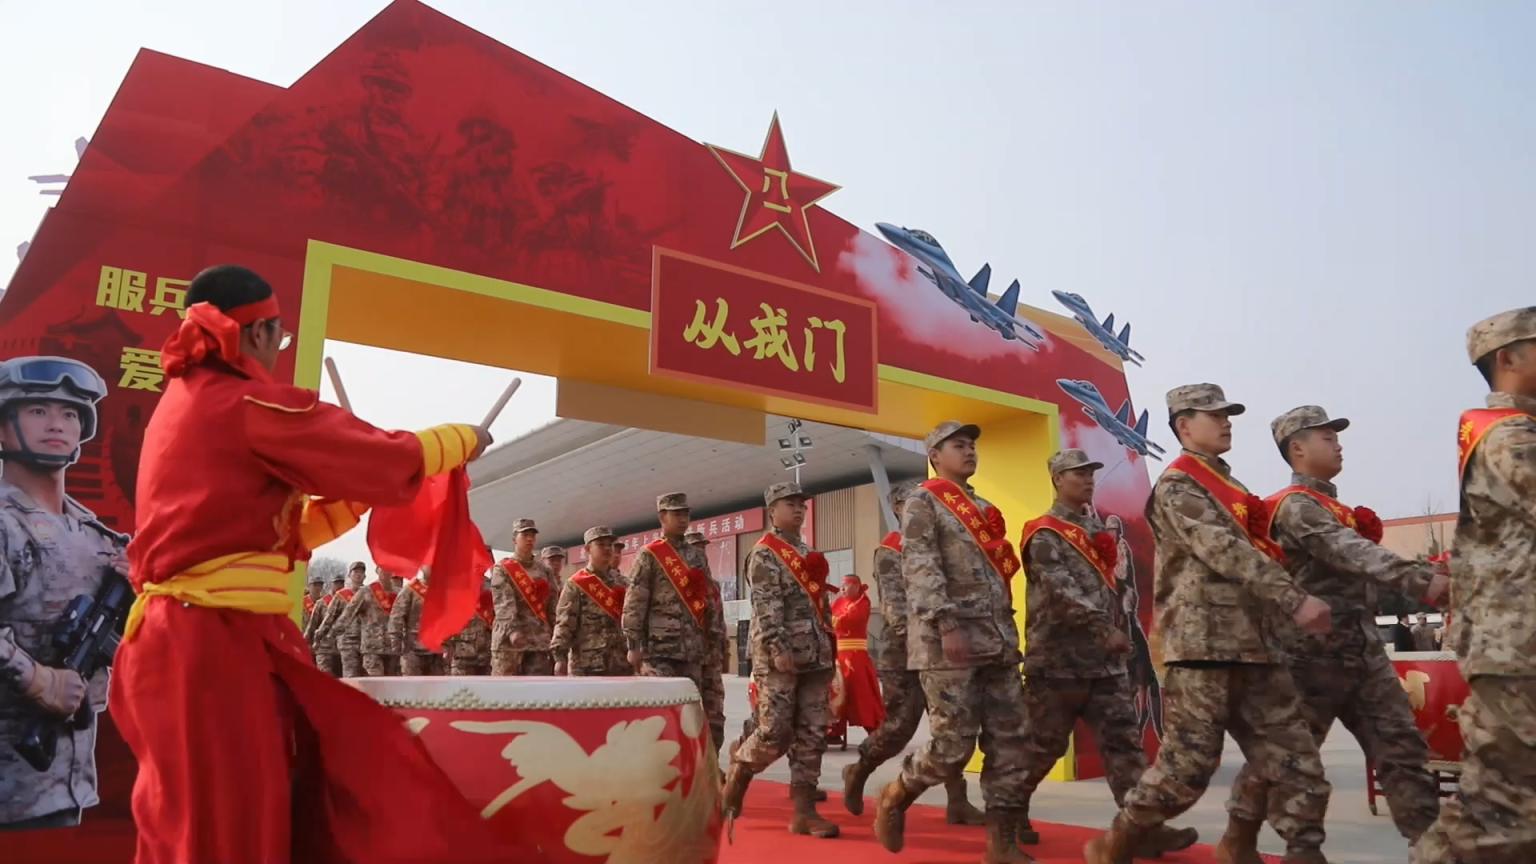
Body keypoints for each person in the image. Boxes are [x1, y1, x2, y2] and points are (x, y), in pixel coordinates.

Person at [107, 264, 511, 862]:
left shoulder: (187, 402)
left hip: (192, 639)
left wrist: (351, 498)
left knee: (196, 821)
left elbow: (256, 533)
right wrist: (463, 439)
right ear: (260, 332)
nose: (279, 348)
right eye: (280, 335)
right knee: (228, 824)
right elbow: (381, 456)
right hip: (210, 644)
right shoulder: (245, 402)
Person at [1084, 384, 1334, 864]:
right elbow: (1221, 548)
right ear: (1183, 425)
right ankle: (1121, 838)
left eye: (1227, 414)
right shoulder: (1178, 486)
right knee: (1187, 768)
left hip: (1258, 648)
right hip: (1203, 648)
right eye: (1214, 415)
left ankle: (1304, 851)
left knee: (1296, 761)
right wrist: (1293, 598)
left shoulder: (1232, 488)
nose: (1226, 422)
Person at [1220, 406, 1445, 861]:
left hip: (1364, 655)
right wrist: (1421, 579)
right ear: (1297, 448)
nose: (1338, 444)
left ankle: (1434, 847)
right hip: (1309, 661)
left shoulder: (1332, 508)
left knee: (1402, 751)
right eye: (1327, 437)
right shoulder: (1295, 506)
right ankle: (1244, 838)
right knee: (1284, 760)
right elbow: (1347, 550)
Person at [1017, 449, 1197, 857]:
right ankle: (1008, 814)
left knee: (1124, 745)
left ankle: (1143, 828)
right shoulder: (1045, 533)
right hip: (1059, 664)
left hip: (1105, 662)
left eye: (1090, 473)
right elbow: (1062, 592)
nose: (1088, 479)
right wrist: (1104, 628)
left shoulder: (1096, 529)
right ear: (1057, 479)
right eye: (1078, 473)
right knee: (1041, 748)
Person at [872, 420, 1033, 863]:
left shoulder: (983, 507)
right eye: (958, 445)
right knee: (952, 745)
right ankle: (896, 793)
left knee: (1010, 741)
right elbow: (920, 566)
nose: (968, 451)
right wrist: (945, 625)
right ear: (935, 456)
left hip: (997, 639)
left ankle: (1001, 844)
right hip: (949, 641)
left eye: (971, 445)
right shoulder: (923, 501)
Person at [1413, 307, 1536, 863]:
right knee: (1506, 819)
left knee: (1490, 810)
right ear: (1507, 358)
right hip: (1518, 653)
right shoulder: (1509, 437)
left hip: (1511, 650)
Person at [0, 355, 127, 830]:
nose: (56, 424)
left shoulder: (99, 538)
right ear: (3, 427)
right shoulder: (6, 526)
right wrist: (38, 681)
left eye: (70, 413)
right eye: (38, 410)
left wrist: (145, 594)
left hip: (66, 786)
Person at [842, 480, 984, 826]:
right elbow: (895, 607)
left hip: (940, 646)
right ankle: (860, 768)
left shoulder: (942, 543)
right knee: (899, 726)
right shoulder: (890, 550)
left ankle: (957, 800)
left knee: (951, 722)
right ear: (897, 509)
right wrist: (929, 638)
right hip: (903, 650)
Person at [722, 482, 839, 839]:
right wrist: (777, 647)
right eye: (790, 504)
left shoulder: (809, 552)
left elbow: (821, 604)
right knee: (775, 731)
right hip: (780, 656)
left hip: (816, 653)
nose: (799, 509)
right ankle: (740, 771)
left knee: (813, 732)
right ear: (772, 511)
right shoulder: (764, 553)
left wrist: (830, 647)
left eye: (802, 504)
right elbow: (767, 605)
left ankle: (804, 811)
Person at [621, 493, 715, 719]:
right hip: (659, 649)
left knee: (689, 713)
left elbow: (707, 598)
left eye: (685, 514)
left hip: (692, 648)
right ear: (662, 517)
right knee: (660, 712)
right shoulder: (649, 555)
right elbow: (635, 601)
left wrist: (711, 640)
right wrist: (633, 644)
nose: (683, 519)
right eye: (676, 514)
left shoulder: (696, 556)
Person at [552, 526, 631, 676]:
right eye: (601, 544)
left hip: (620, 661)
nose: (607, 548)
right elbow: (565, 622)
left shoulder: (623, 583)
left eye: (610, 544)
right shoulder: (576, 583)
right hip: (587, 663)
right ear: (588, 549)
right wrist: (559, 657)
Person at [489, 519, 553, 675]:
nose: (529, 539)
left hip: (539, 641)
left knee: (537, 687)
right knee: (506, 688)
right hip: (509, 643)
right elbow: (504, 603)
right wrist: (512, 631)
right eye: (524, 535)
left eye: (532, 535)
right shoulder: (502, 569)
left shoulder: (544, 570)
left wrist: (555, 635)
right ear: (514, 539)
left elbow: (552, 604)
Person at [686, 529, 729, 753]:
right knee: (688, 714)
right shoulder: (678, 583)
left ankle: (712, 761)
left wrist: (725, 651)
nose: (700, 552)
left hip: (712, 657)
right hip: (688, 656)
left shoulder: (713, 585)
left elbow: (720, 620)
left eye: (702, 548)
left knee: (715, 714)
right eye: (695, 548)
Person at [829, 575, 885, 737]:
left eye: (846, 584)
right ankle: (834, 729)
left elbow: (851, 619)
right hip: (837, 655)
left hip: (855, 656)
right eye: (842, 584)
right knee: (834, 691)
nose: (842, 588)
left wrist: (831, 619)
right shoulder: (836, 602)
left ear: (856, 586)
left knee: (861, 693)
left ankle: (875, 730)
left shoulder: (862, 601)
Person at [315, 561, 366, 677]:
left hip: (367, 642)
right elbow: (329, 617)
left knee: (367, 677)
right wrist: (321, 635)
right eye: (355, 572)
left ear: (365, 576)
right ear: (349, 575)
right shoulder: (341, 595)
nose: (358, 575)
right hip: (347, 641)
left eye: (361, 572)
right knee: (351, 675)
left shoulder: (369, 593)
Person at [390, 568, 444, 676]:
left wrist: (449, 644)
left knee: (435, 685)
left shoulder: (443, 589)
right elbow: (397, 617)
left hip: (436, 650)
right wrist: (396, 644)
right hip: (413, 649)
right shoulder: (411, 588)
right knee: (413, 684)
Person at [446, 566, 493, 677]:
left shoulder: (492, 585)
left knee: (487, 687)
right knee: (462, 687)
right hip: (462, 651)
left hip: (488, 651)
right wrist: (445, 645)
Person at [308, 571, 346, 675]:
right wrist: (307, 643)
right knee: (325, 676)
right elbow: (313, 625)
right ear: (331, 584)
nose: (339, 586)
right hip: (324, 647)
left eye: (341, 583)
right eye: (336, 583)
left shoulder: (347, 602)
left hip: (342, 648)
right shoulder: (322, 603)